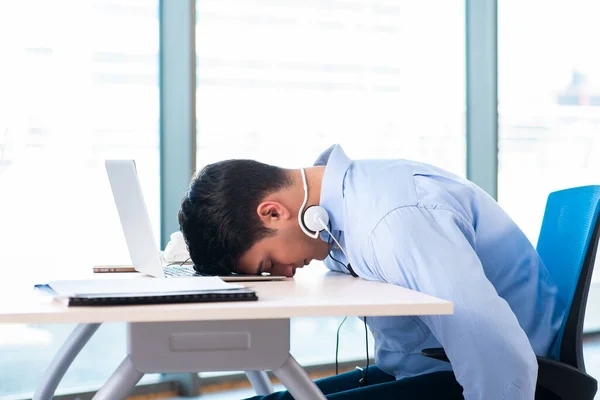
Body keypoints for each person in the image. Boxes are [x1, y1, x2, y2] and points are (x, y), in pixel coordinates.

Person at [178, 144, 565, 400]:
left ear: (273, 212)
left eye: (267, 265)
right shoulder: (338, 211)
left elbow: (497, 355)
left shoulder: (394, 222)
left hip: (507, 381)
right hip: (429, 369)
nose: (283, 274)